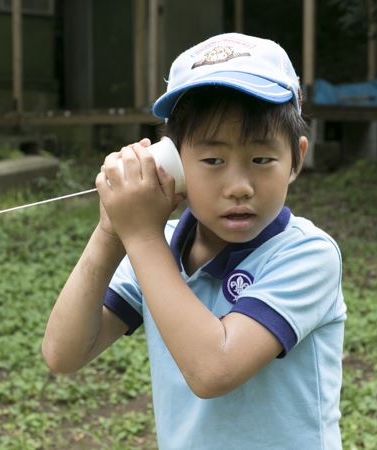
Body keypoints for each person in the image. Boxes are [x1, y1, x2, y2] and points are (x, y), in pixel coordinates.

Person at [42, 32, 346, 450]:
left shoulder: (306, 255)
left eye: (261, 159)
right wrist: (112, 230)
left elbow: (214, 370)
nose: (239, 186)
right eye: (212, 160)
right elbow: (64, 354)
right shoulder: (159, 249)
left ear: (297, 158)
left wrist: (141, 235)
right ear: (173, 164)